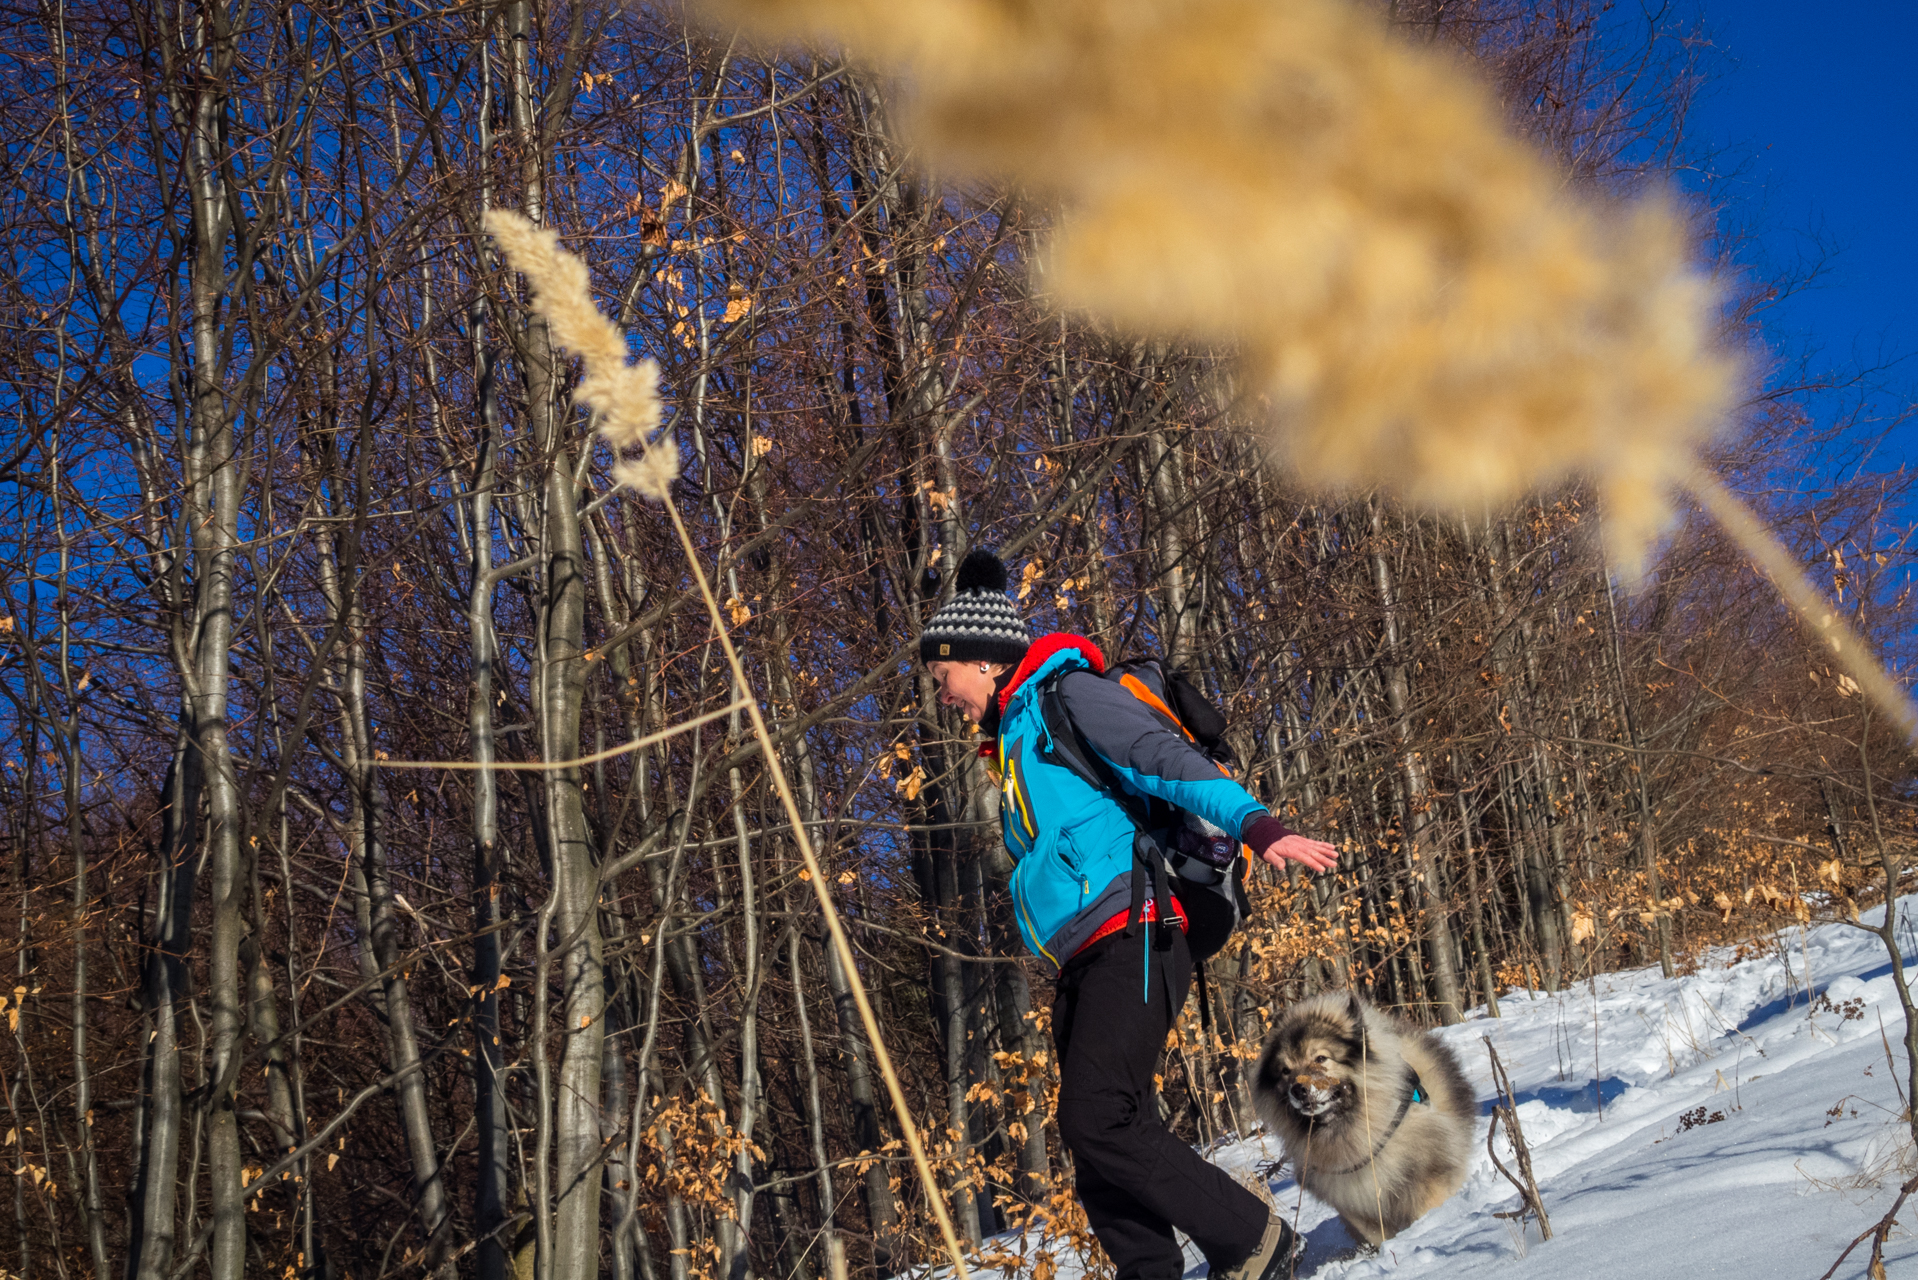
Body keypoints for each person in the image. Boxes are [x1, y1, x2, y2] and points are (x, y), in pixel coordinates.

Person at [919, 548, 1340, 1280]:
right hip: (1086, 951)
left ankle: (1253, 1240)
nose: (941, 694)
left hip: (1138, 927)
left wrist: (1258, 827)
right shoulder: (1015, 744)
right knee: (1096, 1139)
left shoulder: (1067, 696)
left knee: (1100, 1114)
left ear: (983, 660)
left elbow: (1165, 760)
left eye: (942, 675)